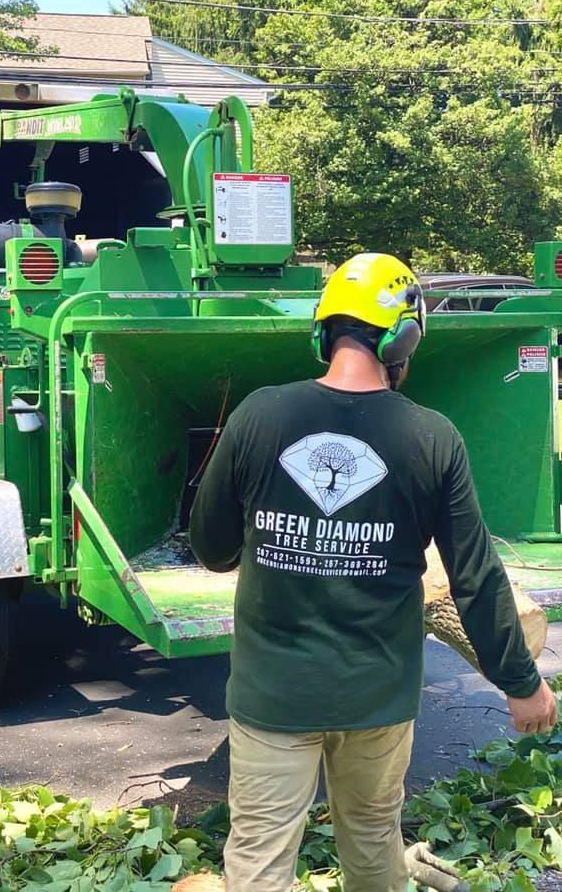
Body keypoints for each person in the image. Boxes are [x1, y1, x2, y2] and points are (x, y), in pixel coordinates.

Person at [188, 252, 558, 892]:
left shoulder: (258, 414)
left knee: (259, 858)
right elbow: (474, 575)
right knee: (372, 841)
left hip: (273, 695)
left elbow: (211, 548)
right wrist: (522, 684)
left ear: (322, 331)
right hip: (378, 699)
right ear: (404, 337)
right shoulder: (432, 436)